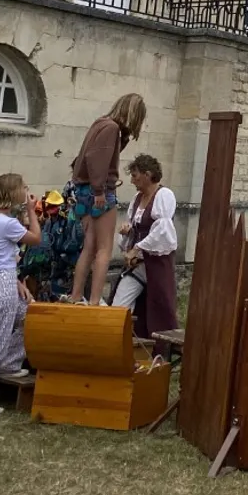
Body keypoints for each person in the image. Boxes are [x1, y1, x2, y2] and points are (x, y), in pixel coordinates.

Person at [65, 92, 147, 306]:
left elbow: (88, 157)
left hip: (83, 189)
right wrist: (99, 191)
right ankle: (93, 301)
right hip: (98, 191)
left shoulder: (101, 123)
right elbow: (97, 159)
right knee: (104, 249)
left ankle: (75, 296)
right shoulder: (111, 128)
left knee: (89, 247)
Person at [0, 173, 41, 419]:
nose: (27, 189)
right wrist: (32, 210)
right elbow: (35, 238)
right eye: (23, 187)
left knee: (30, 317)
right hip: (2, 287)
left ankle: (10, 363)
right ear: (14, 194)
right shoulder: (7, 223)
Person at [111, 154, 178, 338]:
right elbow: (135, 229)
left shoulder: (164, 195)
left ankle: (161, 353)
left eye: (135, 175)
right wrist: (127, 232)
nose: (132, 180)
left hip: (156, 264)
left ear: (147, 175)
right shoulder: (137, 198)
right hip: (138, 265)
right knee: (119, 305)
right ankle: (118, 344)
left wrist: (137, 248)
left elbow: (162, 231)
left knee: (160, 309)